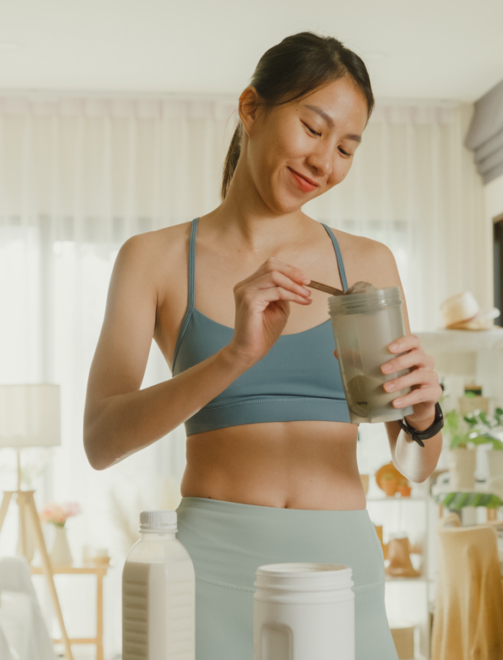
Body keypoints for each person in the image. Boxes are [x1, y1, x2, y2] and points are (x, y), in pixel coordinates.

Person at [83, 32, 443, 660]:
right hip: (210, 566)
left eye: (346, 148)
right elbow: (100, 441)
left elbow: (409, 468)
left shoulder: (366, 266)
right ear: (251, 109)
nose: (324, 160)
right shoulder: (156, 260)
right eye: (312, 128)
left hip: (343, 567)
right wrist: (234, 357)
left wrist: (422, 416)